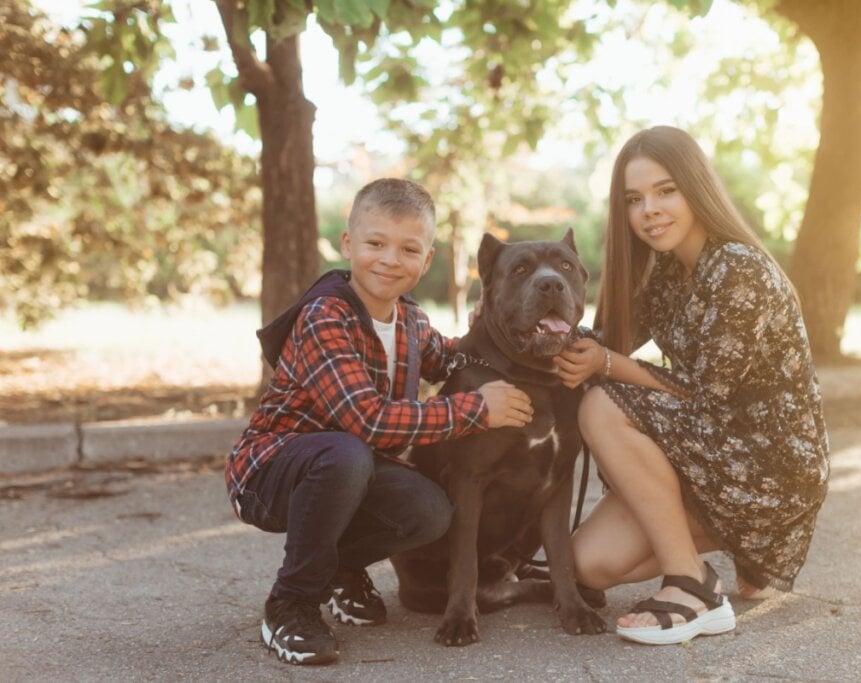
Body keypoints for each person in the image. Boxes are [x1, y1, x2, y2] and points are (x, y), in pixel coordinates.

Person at [225, 178, 534, 665]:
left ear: (426, 259)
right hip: (269, 475)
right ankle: (291, 602)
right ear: (349, 244)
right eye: (375, 243)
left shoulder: (409, 319)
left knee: (430, 510)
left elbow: (450, 360)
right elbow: (367, 422)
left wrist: (495, 323)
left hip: (350, 473)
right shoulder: (325, 317)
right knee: (345, 451)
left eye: (408, 248)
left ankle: (340, 569)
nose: (390, 260)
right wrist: (478, 410)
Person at [553, 126, 829, 646]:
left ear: (696, 188)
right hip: (713, 454)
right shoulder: (665, 277)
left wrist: (606, 364)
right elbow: (602, 342)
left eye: (665, 191)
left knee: (601, 406)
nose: (649, 210)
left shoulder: (739, 268)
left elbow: (704, 392)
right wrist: (533, 326)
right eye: (634, 199)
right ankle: (749, 547)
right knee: (588, 564)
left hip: (771, 464)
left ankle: (692, 585)